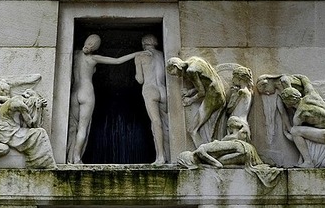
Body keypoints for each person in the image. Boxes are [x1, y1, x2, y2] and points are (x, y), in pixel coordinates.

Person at [67, 35, 137, 164]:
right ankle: (76, 158)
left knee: (73, 126)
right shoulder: (94, 58)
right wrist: (137, 53)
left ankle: (69, 158)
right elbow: (117, 61)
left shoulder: (75, 54)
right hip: (86, 92)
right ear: (96, 47)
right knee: (83, 127)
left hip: (74, 92)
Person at [165, 56, 226, 147]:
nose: (178, 76)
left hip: (213, 96)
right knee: (209, 130)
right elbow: (205, 82)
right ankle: (207, 149)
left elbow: (202, 92)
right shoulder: (193, 60)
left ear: (176, 66)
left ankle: (202, 152)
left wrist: (190, 100)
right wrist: (189, 92)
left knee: (192, 129)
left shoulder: (191, 71)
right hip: (218, 92)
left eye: (176, 74)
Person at [133, 35, 169, 164]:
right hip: (163, 89)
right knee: (166, 124)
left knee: (156, 123)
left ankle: (160, 157)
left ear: (143, 43)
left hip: (150, 89)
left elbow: (140, 79)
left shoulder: (140, 56)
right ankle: (170, 155)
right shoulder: (162, 54)